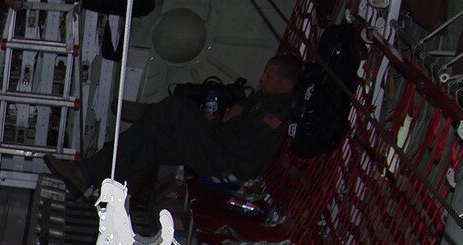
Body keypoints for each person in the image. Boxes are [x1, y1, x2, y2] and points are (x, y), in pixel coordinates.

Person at [46, 54, 302, 228]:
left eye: (269, 76)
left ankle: (148, 112)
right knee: (146, 138)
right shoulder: (264, 99)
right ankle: (85, 176)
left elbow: (238, 143)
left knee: (179, 107)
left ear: (285, 83)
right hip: (220, 147)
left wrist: (216, 122)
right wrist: (227, 118)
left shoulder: (277, 112)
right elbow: (239, 113)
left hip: (228, 164)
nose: (262, 78)